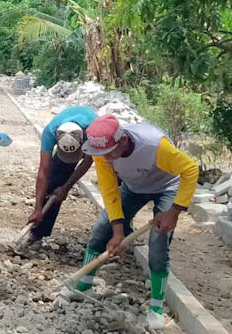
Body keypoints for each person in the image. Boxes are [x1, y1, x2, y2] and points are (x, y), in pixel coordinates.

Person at [60, 115, 198, 330]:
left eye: (109, 152)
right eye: (101, 153)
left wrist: (174, 211)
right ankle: (83, 286)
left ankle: (156, 307)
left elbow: (190, 169)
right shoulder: (101, 150)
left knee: (158, 243)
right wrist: (118, 232)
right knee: (101, 230)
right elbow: (109, 189)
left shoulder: (154, 146)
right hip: (133, 187)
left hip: (167, 186)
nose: (105, 157)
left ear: (123, 140)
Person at [24, 106, 98, 246]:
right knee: (55, 181)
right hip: (71, 136)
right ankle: (38, 232)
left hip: (94, 138)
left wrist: (66, 188)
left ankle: (117, 227)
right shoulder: (49, 133)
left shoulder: (93, 132)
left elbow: (87, 162)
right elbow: (43, 172)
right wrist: (37, 209)